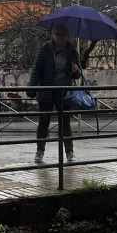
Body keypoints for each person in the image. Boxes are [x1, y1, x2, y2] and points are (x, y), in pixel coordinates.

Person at [27, 24, 81, 163]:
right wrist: (32, 88)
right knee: (44, 122)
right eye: (57, 34)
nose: (59, 37)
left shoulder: (72, 52)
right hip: (46, 91)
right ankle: (40, 151)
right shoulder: (46, 49)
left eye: (62, 34)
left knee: (65, 124)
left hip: (64, 93)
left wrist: (76, 70)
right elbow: (37, 69)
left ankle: (69, 152)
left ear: (68, 36)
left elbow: (78, 75)